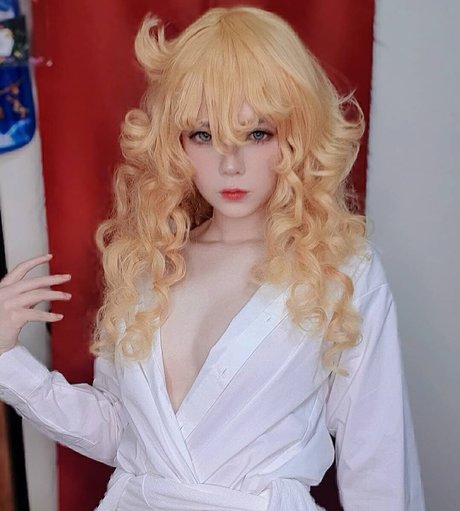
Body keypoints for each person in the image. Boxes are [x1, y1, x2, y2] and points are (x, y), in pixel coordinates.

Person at [0, 6, 425, 511]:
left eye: (257, 134)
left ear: (297, 134)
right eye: (203, 135)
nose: (230, 164)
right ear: (175, 143)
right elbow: (122, 435)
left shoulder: (340, 272)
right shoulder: (148, 265)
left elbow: (378, 465)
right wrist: (7, 360)